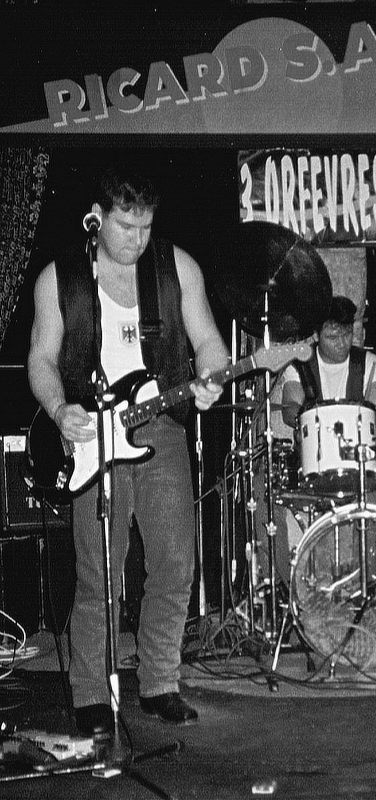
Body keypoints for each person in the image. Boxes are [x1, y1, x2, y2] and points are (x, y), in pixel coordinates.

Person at [27, 162, 230, 737]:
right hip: (93, 435)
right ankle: (92, 693)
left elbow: (209, 342)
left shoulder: (176, 267)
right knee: (99, 571)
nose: (137, 240)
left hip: (160, 425)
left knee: (175, 561)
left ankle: (161, 682)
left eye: (146, 227)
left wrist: (211, 378)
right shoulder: (60, 278)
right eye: (125, 226)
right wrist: (59, 409)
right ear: (96, 218)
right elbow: (41, 357)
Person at [280, 294, 376, 436]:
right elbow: (289, 409)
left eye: (347, 334)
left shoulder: (369, 362)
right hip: (315, 446)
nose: (342, 343)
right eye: (333, 337)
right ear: (316, 335)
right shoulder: (300, 365)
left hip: (357, 446)